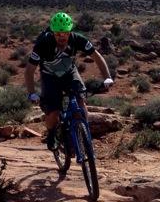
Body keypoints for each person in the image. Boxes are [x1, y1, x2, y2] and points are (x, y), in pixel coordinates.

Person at [24, 11, 113, 149]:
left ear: (70, 30)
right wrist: (31, 92)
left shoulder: (77, 39)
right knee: (53, 111)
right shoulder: (43, 43)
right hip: (49, 76)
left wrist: (107, 77)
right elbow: (29, 70)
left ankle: (84, 133)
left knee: (80, 101)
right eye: (58, 33)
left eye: (65, 33)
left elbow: (97, 57)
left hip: (70, 73)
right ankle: (52, 133)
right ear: (52, 32)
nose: (62, 37)